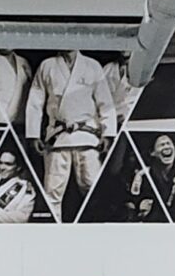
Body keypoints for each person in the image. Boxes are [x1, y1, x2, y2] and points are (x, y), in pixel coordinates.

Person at [27, 48, 119, 217]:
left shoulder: (92, 65)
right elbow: (35, 101)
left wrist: (108, 133)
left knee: (92, 187)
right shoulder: (47, 66)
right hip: (57, 136)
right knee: (52, 191)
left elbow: (105, 102)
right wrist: (33, 134)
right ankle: (55, 226)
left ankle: (93, 224)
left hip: (87, 135)